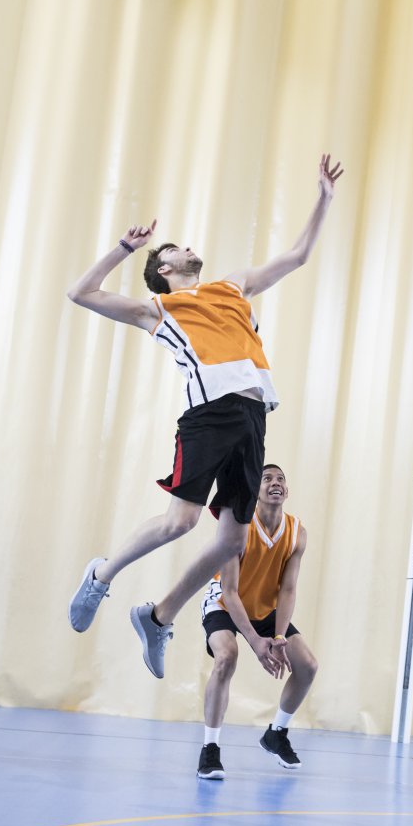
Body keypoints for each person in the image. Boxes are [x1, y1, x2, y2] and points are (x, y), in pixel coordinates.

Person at [65, 155, 343, 680]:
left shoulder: (233, 286)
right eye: (175, 250)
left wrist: (324, 199)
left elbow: (300, 255)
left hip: (254, 416)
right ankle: (101, 575)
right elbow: (80, 293)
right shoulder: (158, 309)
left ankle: (158, 616)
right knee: (181, 521)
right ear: (165, 271)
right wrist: (125, 249)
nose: (189, 249)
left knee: (230, 543)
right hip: (210, 415)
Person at [195, 464, 319, 779]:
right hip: (225, 601)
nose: (275, 483)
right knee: (227, 656)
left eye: (280, 479)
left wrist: (278, 638)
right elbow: (231, 590)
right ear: (257, 490)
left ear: (287, 491)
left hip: (264, 607)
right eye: (267, 479)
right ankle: (210, 749)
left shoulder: (296, 533)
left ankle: (276, 733)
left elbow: (288, 589)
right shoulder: (238, 524)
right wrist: (255, 642)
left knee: (307, 665)